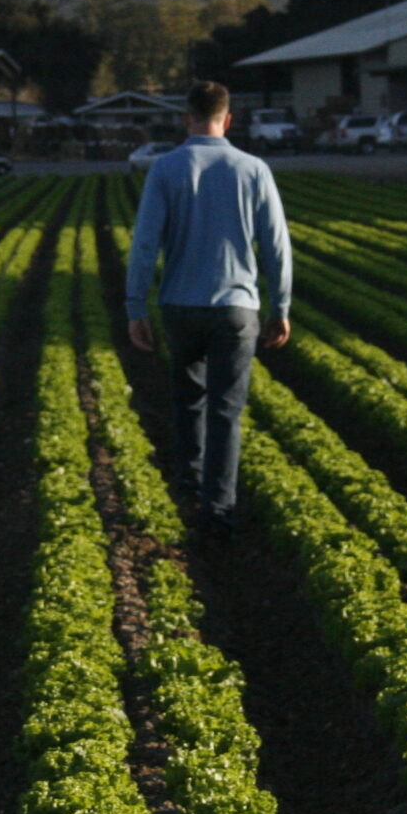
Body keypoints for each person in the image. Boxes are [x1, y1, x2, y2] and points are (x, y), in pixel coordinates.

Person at [126, 80, 292, 539]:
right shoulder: (254, 169)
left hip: (179, 304)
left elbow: (144, 244)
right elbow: (276, 245)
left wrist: (135, 306)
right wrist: (281, 305)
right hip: (236, 308)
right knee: (226, 410)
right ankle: (218, 512)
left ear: (187, 117)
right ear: (228, 117)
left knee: (186, 401)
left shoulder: (166, 168)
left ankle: (189, 488)